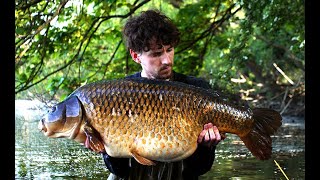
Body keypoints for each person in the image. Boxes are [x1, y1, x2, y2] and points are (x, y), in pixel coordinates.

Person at [102, 9, 226, 180]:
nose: (167, 60)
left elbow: (199, 169)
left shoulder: (196, 89)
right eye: (157, 53)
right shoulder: (120, 94)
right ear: (135, 56)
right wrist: (104, 148)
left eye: (169, 49)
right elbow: (120, 171)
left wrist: (206, 147)